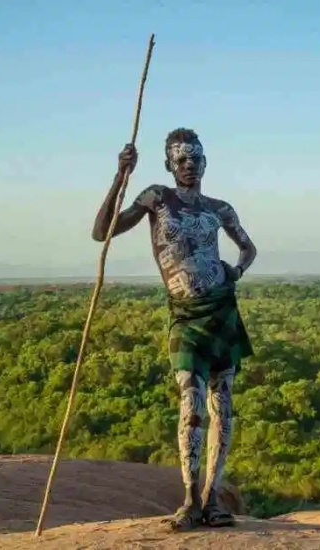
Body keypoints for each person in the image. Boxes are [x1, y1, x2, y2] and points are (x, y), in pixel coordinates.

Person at [91, 128, 256, 530]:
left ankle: (213, 498)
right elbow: (102, 231)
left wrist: (235, 271)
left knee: (223, 406)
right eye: (181, 159)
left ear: (205, 162)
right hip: (185, 314)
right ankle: (188, 499)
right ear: (169, 164)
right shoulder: (156, 198)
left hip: (221, 310)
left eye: (195, 158)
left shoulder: (220, 208)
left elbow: (248, 248)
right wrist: (120, 176)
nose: (189, 165)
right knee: (191, 401)